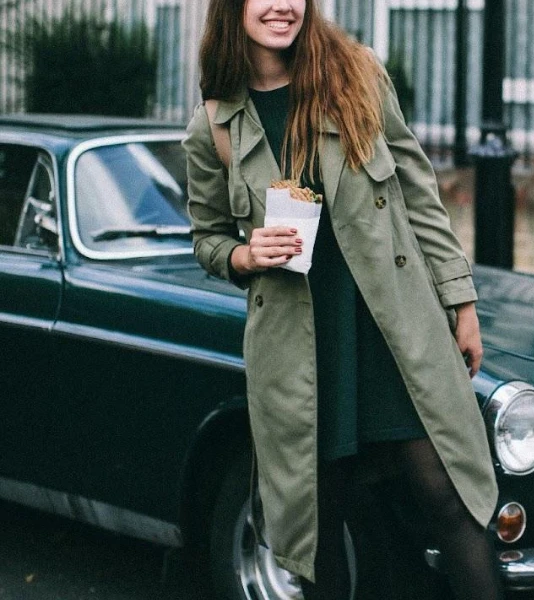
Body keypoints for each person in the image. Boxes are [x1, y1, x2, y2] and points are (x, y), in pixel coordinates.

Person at [183, 0, 502, 598]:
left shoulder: (356, 74)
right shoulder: (216, 123)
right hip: (300, 346)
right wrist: (245, 255)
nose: (282, 6)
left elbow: (419, 195)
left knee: (452, 497)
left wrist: (462, 305)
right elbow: (207, 238)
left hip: (391, 328)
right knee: (320, 528)